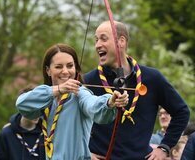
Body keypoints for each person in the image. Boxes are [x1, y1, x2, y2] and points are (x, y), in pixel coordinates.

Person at [84, 20, 190, 160]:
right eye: (96, 40)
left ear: (121, 41)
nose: (98, 45)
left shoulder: (152, 77)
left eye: (103, 38)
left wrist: (164, 147)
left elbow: (181, 112)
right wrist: (86, 152)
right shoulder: (88, 81)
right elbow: (73, 121)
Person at [16, 43, 128, 160]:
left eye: (70, 66)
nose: (65, 71)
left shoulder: (80, 94)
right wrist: (58, 89)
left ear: (76, 68)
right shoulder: (47, 97)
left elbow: (94, 106)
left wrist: (109, 102)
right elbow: (22, 104)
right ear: (48, 70)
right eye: (59, 67)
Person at [0, 87, 45, 160]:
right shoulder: (6, 134)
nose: (37, 113)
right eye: (32, 108)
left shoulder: (46, 133)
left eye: (40, 108)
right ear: (22, 108)